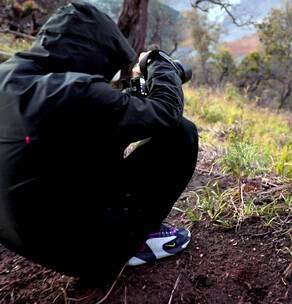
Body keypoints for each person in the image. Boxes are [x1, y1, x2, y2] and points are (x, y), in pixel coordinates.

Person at [0, 2, 198, 280]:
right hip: (88, 254)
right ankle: (133, 242)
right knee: (181, 134)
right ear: (91, 51)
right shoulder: (76, 91)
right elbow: (165, 113)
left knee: (92, 141)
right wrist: (160, 63)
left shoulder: (9, 75)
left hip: (19, 237)